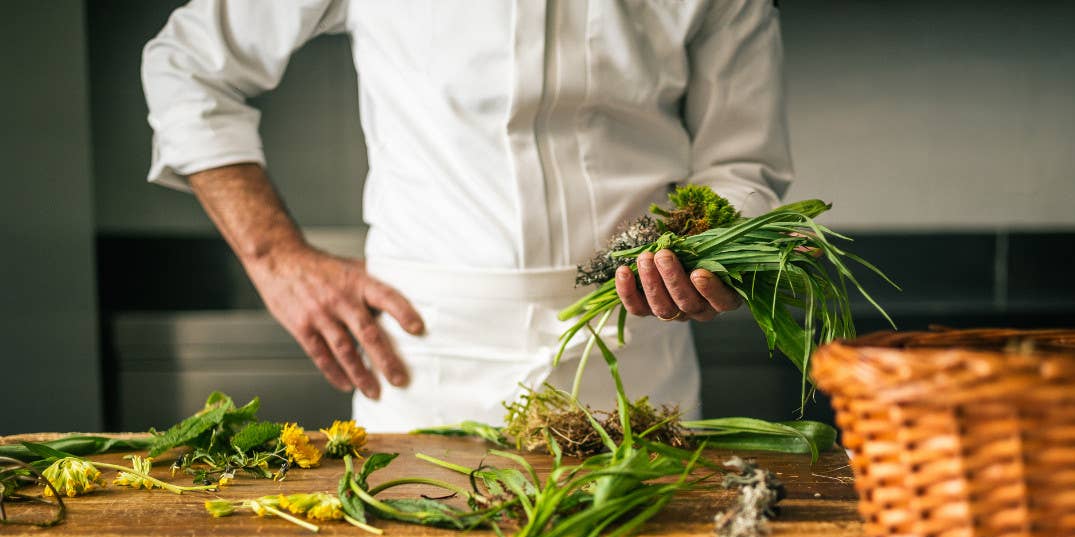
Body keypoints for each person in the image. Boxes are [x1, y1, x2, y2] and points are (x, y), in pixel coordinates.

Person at [142, 0, 792, 431]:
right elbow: (187, 63)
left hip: (636, 345)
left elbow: (740, 162)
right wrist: (273, 257)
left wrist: (715, 251)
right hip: (426, 357)